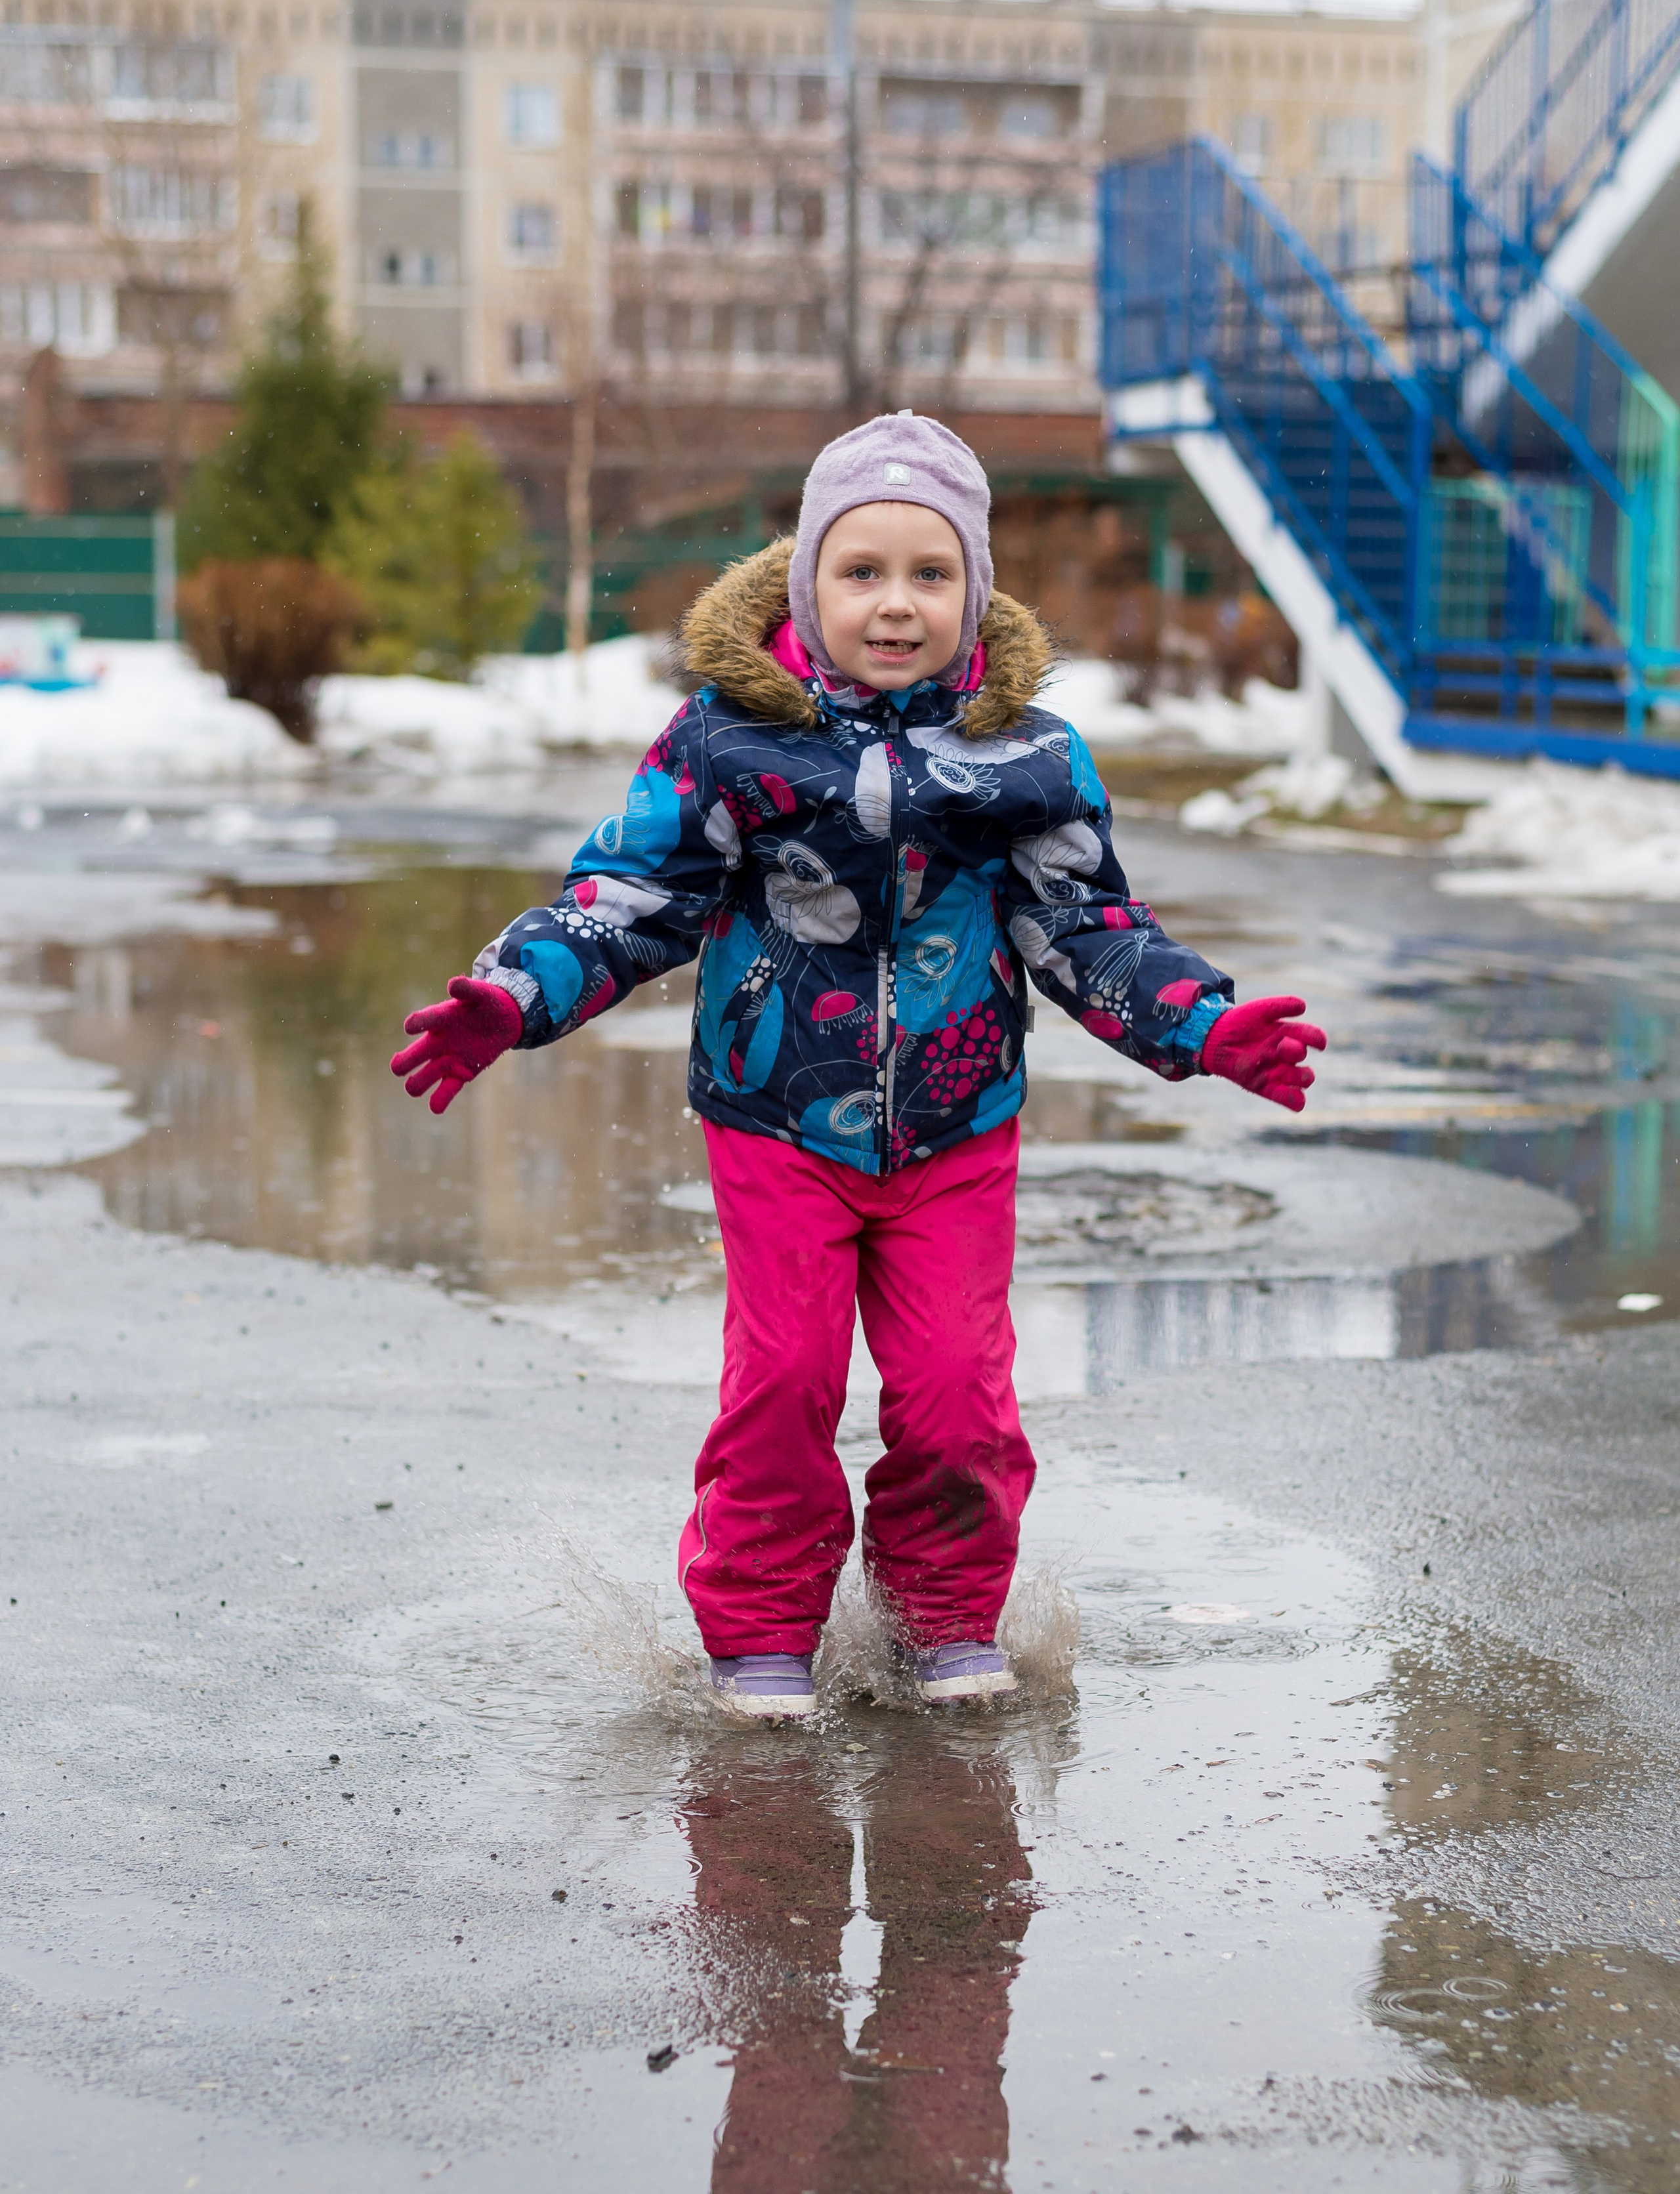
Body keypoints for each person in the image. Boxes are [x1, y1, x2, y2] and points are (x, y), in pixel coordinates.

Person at [390, 413, 1324, 1721]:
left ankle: (938, 1619)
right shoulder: (726, 740)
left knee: (954, 1396)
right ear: (805, 584)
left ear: (974, 592)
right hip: (776, 1122)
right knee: (782, 1385)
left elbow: (1082, 924)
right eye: (862, 571)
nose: (895, 605)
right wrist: (515, 990)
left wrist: (1200, 1024)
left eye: (929, 575)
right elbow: (633, 889)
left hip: (954, 1128)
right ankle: (761, 1630)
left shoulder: (1027, 758)